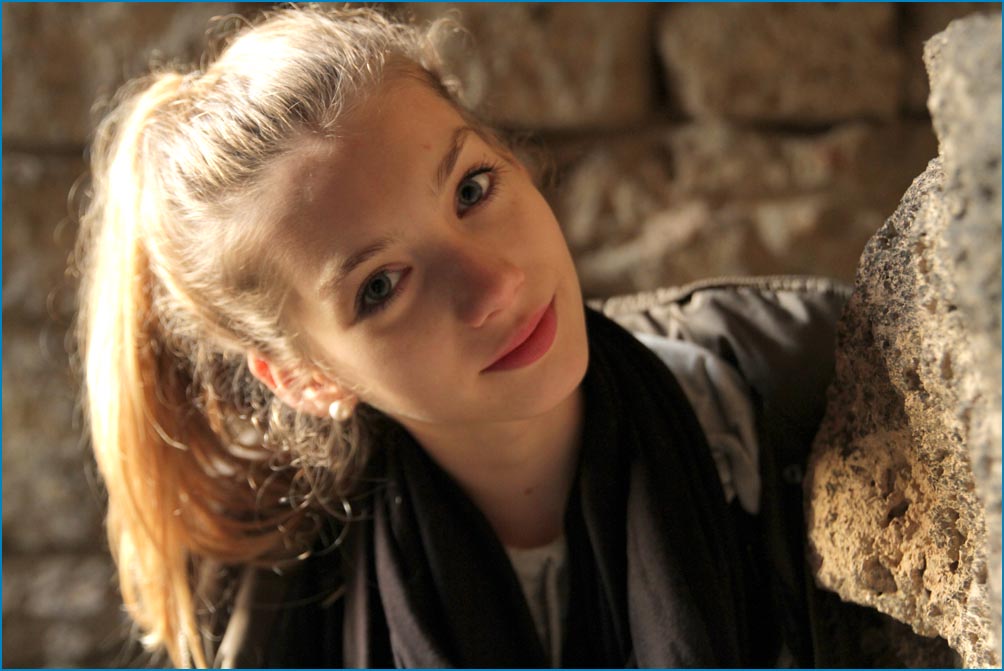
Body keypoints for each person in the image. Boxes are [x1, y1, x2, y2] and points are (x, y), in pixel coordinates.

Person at [76, 5, 857, 668]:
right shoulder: (277, 626)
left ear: (509, 156)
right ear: (308, 380)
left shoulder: (822, 400)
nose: (494, 285)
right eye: (380, 286)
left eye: (471, 188)